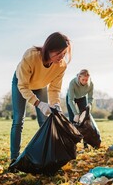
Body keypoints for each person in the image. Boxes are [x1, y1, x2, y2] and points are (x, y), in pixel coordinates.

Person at [10, 32, 72, 166]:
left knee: (45, 121)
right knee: (18, 119)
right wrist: (38, 103)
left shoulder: (61, 66)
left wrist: (55, 104)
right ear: (49, 49)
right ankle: (14, 158)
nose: (61, 58)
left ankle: (46, 156)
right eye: (59, 54)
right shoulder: (31, 56)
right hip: (21, 83)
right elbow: (23, 86)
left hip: (40, 85)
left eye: (64, 54)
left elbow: (54, 89)